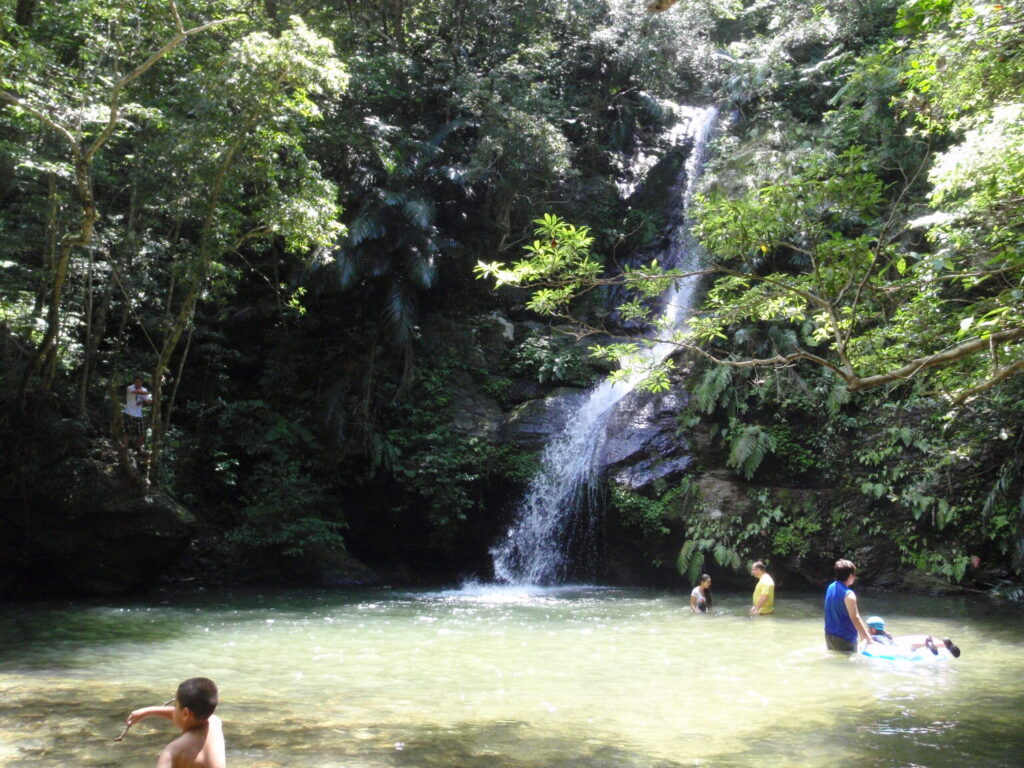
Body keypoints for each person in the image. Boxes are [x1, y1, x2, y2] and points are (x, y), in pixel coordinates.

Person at [125, 677, 225, 768]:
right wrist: (149, 711)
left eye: (175, 705)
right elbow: (189, 715)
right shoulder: (215, 723)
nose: (174, 710)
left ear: (185, 713)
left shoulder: (173, 752)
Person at [824, 559, 872, 652]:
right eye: (854, 575)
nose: (854, 577)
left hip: (829, 635)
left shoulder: (830, 587)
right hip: (845, 638)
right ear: (850, 576)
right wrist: (867, 638)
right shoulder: (849, 595)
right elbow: (855, 618)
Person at [866, 615, 962, 657]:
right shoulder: (886, 634)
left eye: (868, 628)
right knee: (915, 645)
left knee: (911, 648)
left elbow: (882, 646)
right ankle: (944, 645)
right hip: (896, 645)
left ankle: (928, 644)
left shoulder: (874, 637)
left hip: (895, 650)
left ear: (873, 630)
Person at [122, 375, 152, 452]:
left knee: (142, 433)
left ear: (142, 382)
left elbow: (148, 402)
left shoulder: (144, 390)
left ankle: (137, 447)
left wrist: (151, 399)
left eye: (140, 382)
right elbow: (137, 392)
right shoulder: (130, 388)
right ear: (134, 382)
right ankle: (124, 449)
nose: (138, 383)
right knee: (126, 432)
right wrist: (150, 392)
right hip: (128, 413)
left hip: (138, 414)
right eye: (136, 381)